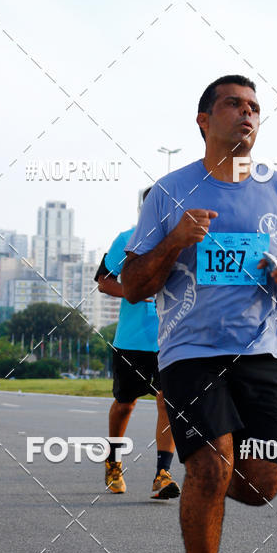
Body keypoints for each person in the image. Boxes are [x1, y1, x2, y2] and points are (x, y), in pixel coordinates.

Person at [122, 75, 277, 553]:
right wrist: (175, 241)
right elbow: (134, 284)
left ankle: (213, 493)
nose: (247, 114)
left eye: (255, 107)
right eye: (234, 104)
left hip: (267, 352)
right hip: (191, 352)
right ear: (205, 120)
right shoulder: (169, 192)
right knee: (208, 465)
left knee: (262, 484)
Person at [96, 189, 180, 500]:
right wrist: (133, 291)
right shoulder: (127, 239)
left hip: (171, 339)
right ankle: (113, 462)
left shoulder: (183, 244)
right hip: (132, 341)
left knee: (167, 401)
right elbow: (104, 281)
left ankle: (162, 473)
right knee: (125, 404)